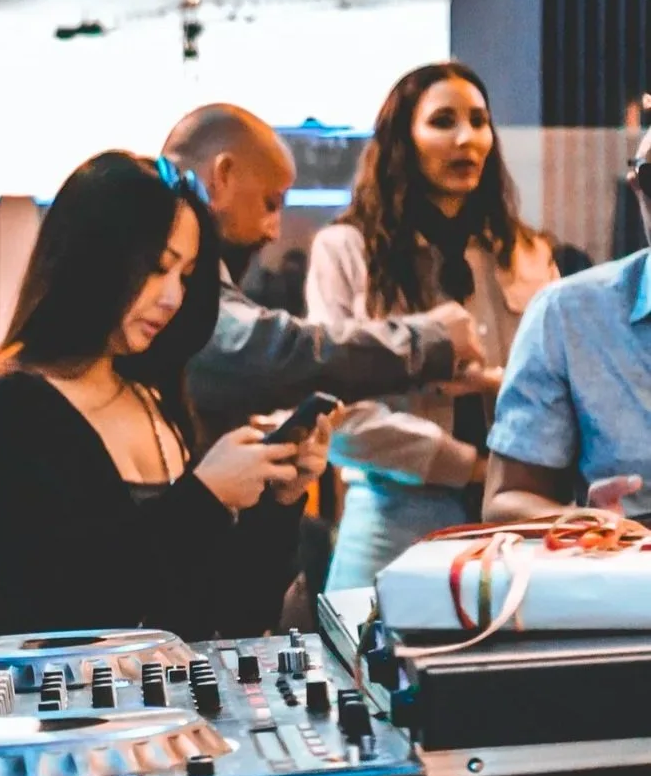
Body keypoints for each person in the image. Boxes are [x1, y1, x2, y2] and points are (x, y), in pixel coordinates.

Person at [0, 149, 327, 646]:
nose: (172, 297)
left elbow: (232, 614)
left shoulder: (151, 396)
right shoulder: (3, 405)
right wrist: (204, 497)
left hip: (176, 713)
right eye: (159, 267)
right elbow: (56, 609)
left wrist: (279, 502)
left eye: (186, 276)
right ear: (91, 258)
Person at [305, 62, 558, 586]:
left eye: (479, 120)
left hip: (519, 520)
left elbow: (560, 385)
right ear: (404, 138)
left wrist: (491, 381)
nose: (467, 138)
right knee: (362, 664)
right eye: (443, 121)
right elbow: (335, 415)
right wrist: (467, 465)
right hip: (394, 514)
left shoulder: (528, 252)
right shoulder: (347, 249)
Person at [161, 101, 479, 434]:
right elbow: (269, 356)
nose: (274, 231)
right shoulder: (156, 241)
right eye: (270, 204)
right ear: (222, 176)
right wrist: (426, 340)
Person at [485, 121, 651, 521]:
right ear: (637, 188)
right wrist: (583, 523)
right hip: (627, 567)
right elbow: (506, 499)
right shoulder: (569, 314)